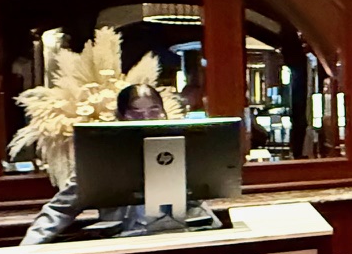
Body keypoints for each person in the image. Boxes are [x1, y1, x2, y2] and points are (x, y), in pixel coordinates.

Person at [19, 84, 214, 245]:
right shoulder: (102, 160)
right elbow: (60, 209)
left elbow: (199, 202)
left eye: (154, 111)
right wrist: (26, 249)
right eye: (136, 113)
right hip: (121, 246)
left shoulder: (181, 151)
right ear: (120, 117)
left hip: (178, 243)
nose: (146, 119)